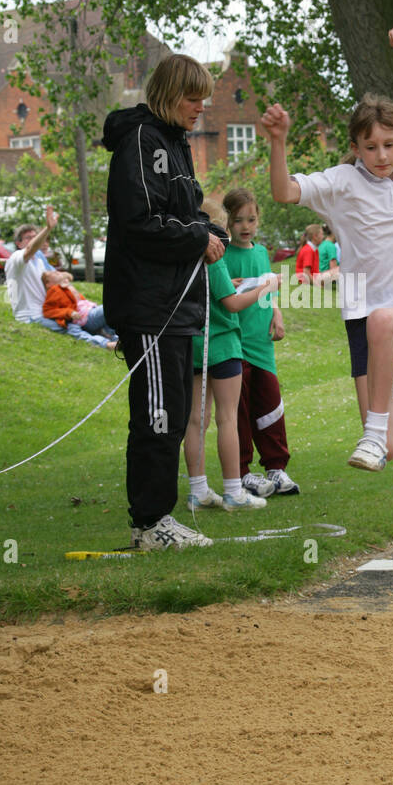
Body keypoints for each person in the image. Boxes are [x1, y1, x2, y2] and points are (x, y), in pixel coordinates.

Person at [263, 28, 393, 473]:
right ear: (355, 148)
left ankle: (376, 422)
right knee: (384, 449)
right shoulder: (341, 183)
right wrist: (278, 142)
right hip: (359, 318)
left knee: (384, 319)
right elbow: (283, 192)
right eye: (370, 147)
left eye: (389, 145)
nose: (382, 155)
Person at [102, 53, 230, 551]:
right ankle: (150, 522)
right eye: (192, 98)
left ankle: (158, 519)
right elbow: (140, 222)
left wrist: (208, 229)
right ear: (168, 94)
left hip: (179, 307)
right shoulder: (142, 140)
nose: (201, 107)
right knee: (157, 417)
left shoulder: (176, 143)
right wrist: (196, 237)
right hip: (150, 307)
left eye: (204, 98)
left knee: (175, 416)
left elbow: (184, 213)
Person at [183, 197, 279, 511]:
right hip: (222, 344)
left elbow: (216, 289)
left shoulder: (183, 257)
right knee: (226, 419)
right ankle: (233, 491)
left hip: (193, 344)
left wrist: (233, 284)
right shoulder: (214, 256)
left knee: (196, 420)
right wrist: (267, 287)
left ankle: (197, 490)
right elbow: (232, 304)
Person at [222, 187, 298, 496]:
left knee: (271, 405)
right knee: (238, 411)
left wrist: (277, 314)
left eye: (251, 219)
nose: (245, 226)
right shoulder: (222, 254)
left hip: (262, 343)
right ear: (228, 221)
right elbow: (220, 295)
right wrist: (229, 284)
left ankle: (276, 469)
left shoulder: (261, 252)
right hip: (234, 343)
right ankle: (241, 472)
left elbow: (269, 290)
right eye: (238, 220)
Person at [5, 210, 65, 329]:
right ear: (19, 243)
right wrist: (47, 229)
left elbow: (60, 277)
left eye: (35, 237)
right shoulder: (16, 258)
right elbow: (29, 250)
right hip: (30, 317)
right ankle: (104, 343)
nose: (33, 240)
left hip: (47, 313)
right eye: (28, 238)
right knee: (70, 326)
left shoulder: (39, 261)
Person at [41, 270, 118, 349]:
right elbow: (48, 311)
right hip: (86, 317)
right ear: (48, 284)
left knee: (111, 319)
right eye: (53, 273)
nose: (57, 272)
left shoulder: (64, 287)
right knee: (112, 307)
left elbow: (68, 277)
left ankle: (116, 341)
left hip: (89, 312)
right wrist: (69, 313)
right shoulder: (53, 290)